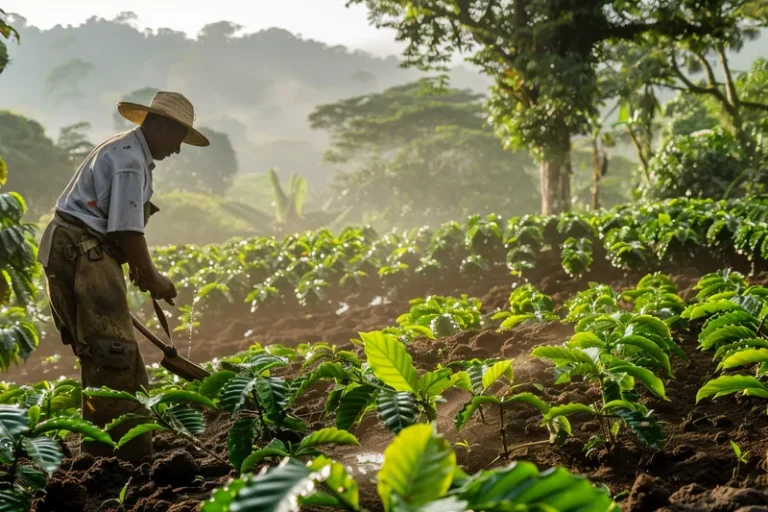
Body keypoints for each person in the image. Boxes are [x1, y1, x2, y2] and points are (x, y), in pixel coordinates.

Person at [37, 91, 210, 462]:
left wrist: (134, 268)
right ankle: (113, 460)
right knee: (111, 353)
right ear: (159, 125)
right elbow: (128, 231)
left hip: (80, 249)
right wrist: (153, 276)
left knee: (108, 353)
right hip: (81, 253)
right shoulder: (130, 161)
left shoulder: (125, 150)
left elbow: (118, 228)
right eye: (178, 140)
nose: (178, 150)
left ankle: (115, 453)